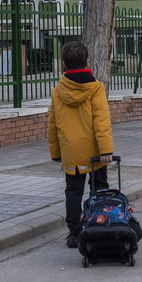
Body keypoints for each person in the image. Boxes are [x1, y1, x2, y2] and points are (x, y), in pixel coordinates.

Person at [47, 41, 114, 248]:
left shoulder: (58, 91)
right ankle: (98, 225)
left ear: (65, 66)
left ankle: (74, 233)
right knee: (99, 188)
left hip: (71, 152)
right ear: (87, 61)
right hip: (95, 152)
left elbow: (53, 125)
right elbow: (101, 120)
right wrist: (106, 150)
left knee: (73, 192)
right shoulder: (96, 88)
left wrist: (56, 153)